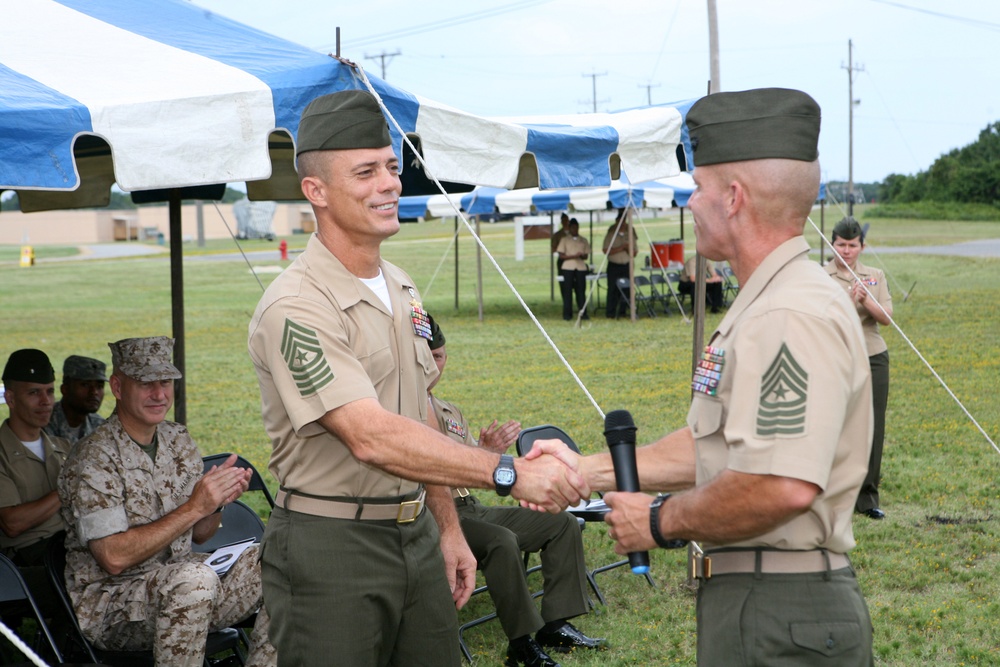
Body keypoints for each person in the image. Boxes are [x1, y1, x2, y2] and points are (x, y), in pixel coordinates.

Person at [526, 88, 875, 665]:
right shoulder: (772, 301)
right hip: (764, 602)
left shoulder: (787, 314)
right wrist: (586, 470)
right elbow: (718, 444)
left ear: (733, 198)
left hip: (779, 610)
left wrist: (659, 520)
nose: (691, 203)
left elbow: (779, 484)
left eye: (700, 189)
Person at [246, 90, 587, 667]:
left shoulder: (400, 284)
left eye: (391, 167)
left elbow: (419, 412)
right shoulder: (296, 306)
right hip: (332, 542)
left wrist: (448, 527)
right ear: (316, 191)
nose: (389, 184)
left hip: (417, 531)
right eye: (366, 172)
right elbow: (371, 435)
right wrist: (506, 472)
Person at [57, 336, 275, 667]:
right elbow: (113, 557)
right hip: (114, 606)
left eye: (165, 382)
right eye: (146, 384)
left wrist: (216, 501)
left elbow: (201, 534)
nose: (159, 394)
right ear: (117, 387)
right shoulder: (94, 457)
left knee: (281, 559)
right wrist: (195, 506)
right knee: (193, 580)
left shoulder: (178, 439)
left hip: (188, 588)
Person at [426, 315, 603, 667]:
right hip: (435, 514)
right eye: (427, 356)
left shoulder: (449, 410)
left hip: (471, 506)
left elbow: (472, 468)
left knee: (561, 523)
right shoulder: (400, 411)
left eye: (440, 356)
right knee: (500, 540)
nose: (434, 365)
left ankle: (555, 624)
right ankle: (520, 643)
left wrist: (487, 451)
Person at [827, 216, 893, 520]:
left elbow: (885, 318)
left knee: (873, 425)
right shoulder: (820, 275)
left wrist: (865, 301)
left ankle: (867, 498)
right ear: (832, 244)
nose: (846, 250)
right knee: (835, 424)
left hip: (873, 356)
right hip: (836, 357)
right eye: (841, 244)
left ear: (862, 247)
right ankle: (834, 494)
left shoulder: (875, 275)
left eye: (852, 245)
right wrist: (847, 302)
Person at [1, 348, 69, 608]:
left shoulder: (64, 447)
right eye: (34, 393)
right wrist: (65, 488)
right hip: (24, 562)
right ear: (11, 398)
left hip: (71, 546)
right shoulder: (2, 453)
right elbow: (13, 523)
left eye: (50, 391)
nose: (46, 401)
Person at [45, 354, 107, 445]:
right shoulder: (44, 423)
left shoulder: (100, 426)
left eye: (99, 386)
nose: (94, 392)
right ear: (65, 389)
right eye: (85, 385)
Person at [602, 208, 638, 318]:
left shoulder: (630, 231)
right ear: (616, 221)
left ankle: (623, 311)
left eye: (624, 221)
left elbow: (635, 252)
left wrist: (627, 249)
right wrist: (621, 247)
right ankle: (610, 312)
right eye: (620, 221)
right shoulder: (611, 233)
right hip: (614, 265)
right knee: (612, 289)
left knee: (627, 289)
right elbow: (606, 250)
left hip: (627, 264)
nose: (622, 224)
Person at [555, 218, 591, 321]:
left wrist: (581, 255)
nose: (575, 229)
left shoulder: (583, 240)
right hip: (568, 267)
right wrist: (573, 256)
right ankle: (567, 314)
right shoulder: (564, 240)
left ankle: (583, 313)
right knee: (567, 292)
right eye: (573, 227)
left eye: (576, 227)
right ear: (570, 228)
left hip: (580, 267)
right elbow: (561, 256)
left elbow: (586, 257)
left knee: (581, 291)